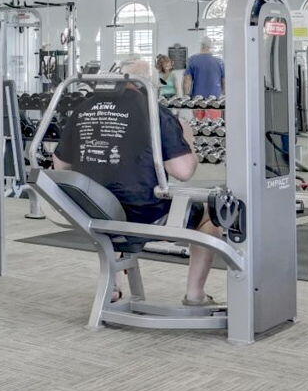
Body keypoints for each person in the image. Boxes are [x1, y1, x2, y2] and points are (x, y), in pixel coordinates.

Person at [51, 75, 224, 308]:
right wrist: (188, 139)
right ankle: (195, 295)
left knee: (111, 209)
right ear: (147, 83)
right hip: (145, 215)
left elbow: (60, 166)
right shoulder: (153, 110)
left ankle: (112, 287)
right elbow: (183, 171)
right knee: (209, 215)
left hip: (94, 211)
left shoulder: (84, 108)